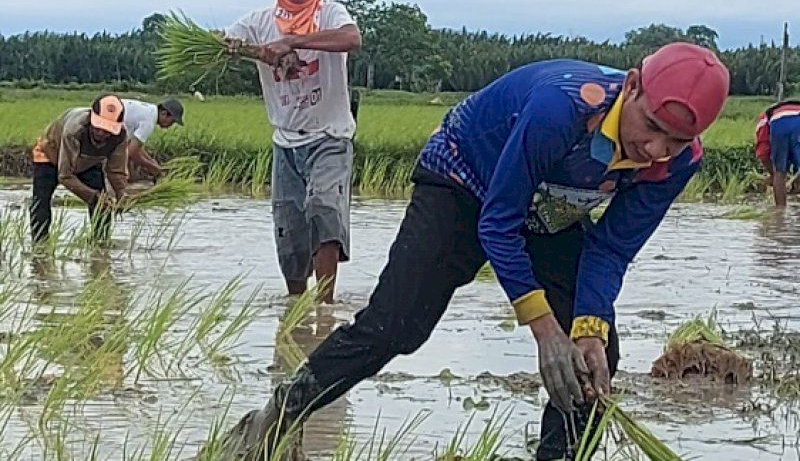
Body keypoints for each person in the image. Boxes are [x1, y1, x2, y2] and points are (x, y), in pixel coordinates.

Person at [207, 41, 730, 461]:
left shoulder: (677, 164)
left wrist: (587, 328)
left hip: (550, 209)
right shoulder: (564, 109)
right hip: (463, 181)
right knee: (396, 326)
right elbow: (498, 223)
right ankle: (282, 410)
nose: (656, 150)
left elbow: (610, 250)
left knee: (594, 358)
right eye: (652, 126)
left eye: (676, 141)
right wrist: (544, 331)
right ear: (632, 86)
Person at [223, 0, 362, 304]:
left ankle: (325, 307)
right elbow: (223, 43)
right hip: (286, 139)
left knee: (324, 207)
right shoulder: (258, 23)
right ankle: (295, 307)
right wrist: (261, 53)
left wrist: (292, 42)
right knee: (289, 227)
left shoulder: (330, 14)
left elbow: (352, 38)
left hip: (329, 135)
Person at [30, 94, 129, 244]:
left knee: (103, 205)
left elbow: (116, 171)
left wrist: (121, 194)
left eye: (108, 130)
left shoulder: (120, 136)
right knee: (41, 201)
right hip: (51, 153)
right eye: (98, 127)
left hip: (87, 161)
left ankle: (100, 244)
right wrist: (92, 196)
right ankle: (40, 245)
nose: (101, 133)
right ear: (91, 117)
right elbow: (65, 175)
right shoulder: (75, 130)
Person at [121, 97, 185, 181]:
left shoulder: (149, 110)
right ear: (164, 113)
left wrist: (151, 161)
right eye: (172, 121)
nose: (171, 125)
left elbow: (135, 146)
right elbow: (131, 152)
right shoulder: (149, 122)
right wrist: (152, 167)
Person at [754, 99, 800, 207]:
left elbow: (763, 154)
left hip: (779, 123)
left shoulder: (764, 120)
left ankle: (780, 212)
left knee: (779, 172)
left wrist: (773, 175)